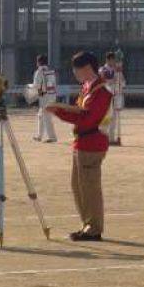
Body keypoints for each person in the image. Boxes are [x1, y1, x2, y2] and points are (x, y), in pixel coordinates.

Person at [47, 51, 113, 241]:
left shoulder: (100, 91)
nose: (74, 73)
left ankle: (93, 228)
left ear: (86, 68)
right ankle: (87, 224)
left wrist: (59, 112)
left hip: (92, 142)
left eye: (76, 69)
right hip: (82, 142)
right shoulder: (87, 88)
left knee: (89, 186)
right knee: (79, 186)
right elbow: (80, 112)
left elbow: (87, 119)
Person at [99, 51, 126, 146]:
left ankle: (111, 139)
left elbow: (122, 83)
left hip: (116, 95)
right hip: (106, 96)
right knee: (106, 118)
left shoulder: (117, 71)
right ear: (108, 60)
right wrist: (114, 76)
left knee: (114, 118)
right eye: (112, 60)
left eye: (114, 60)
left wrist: (120, 79)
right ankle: (102, 137)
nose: (114, 62)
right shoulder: (103, 69)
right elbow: (105, 79)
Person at [33, 54, 58, 143]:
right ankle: (39, 135)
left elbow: (36, 85)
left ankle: (52, 137)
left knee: (46, 116)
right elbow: (54, 84)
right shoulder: (51, 71)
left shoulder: (39, 71)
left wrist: (35, 93)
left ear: (38, 62)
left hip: (44, 96)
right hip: (52, 95)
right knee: (41, 115)